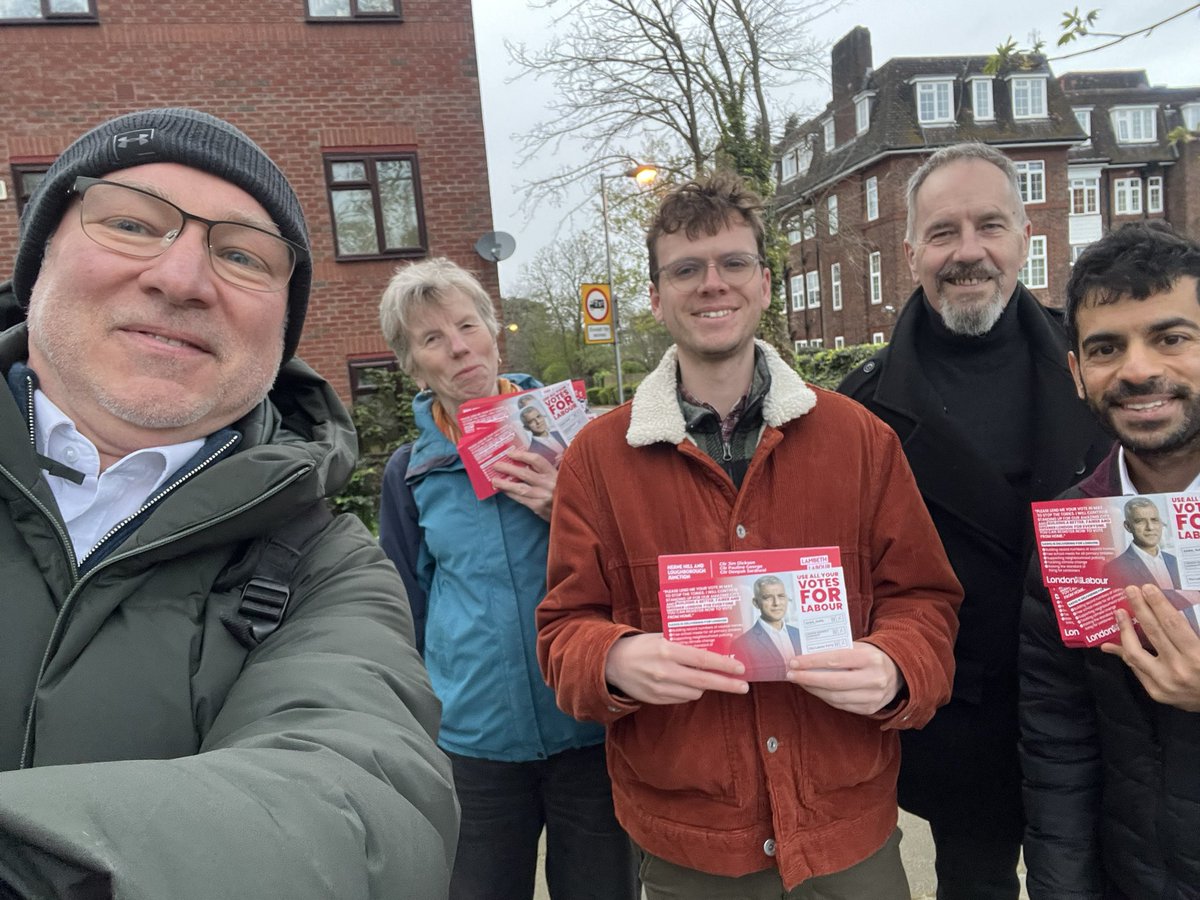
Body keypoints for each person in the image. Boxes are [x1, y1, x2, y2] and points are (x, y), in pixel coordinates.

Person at [0, 108, 457, 898]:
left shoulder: (327, 564)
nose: (181, 278)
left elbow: (361, 805)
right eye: (133, 224)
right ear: (39, 261)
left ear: (280, 332)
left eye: (242, 254)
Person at [537, 171, 962, 898]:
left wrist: (896, 666)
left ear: (764, 284)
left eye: (734, 263)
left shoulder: (861, 440)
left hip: (845, 829)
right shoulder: (598, 460)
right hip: (691, 848)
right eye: (686, 269)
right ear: (656, 296)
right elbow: (561, 631)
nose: (713, 284)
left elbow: (924, 600)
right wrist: (613, 658)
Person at [838, 142, 1111, 900]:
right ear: (910, 251)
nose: (967, 253)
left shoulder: (1097, 369)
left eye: (989, 226)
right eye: (942, 232)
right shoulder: (862, 408)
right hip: (961, 727)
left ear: (1025, 237)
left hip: (1099, 706)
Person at [376, 258, 636, 900]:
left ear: (495, 332)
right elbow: (405, 608)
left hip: (588, 720)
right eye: (433, 338)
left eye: (468, 326)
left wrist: (568, 510)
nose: (459, 347)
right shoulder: (409, 475)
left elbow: (639, 569)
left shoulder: (586, 443)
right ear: (412, 364)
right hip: (474, 741)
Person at [1021, 222, 1200, 898]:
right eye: (1105, 348)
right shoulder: (1071, 535)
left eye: (1170, 338)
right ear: (1077, 374)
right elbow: (1058, 748)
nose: (1137, 369)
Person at [729, 575, 802, 680]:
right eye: (768, 597)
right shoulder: (741, 644)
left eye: (781, 596)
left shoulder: (798, 634)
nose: (776, 603)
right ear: (756, 603)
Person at [1103, 497, 1181, 589]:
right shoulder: (1114, 568)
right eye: (1140, 521)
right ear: (1128, 526)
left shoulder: (1174, 561)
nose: (1150, 527)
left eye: (1154, 520)